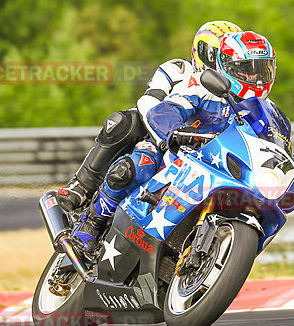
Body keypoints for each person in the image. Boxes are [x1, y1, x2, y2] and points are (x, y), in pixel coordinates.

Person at [70, 30, 277, 254]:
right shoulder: (200, 85)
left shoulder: (266, 111)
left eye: (261, 70)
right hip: (175, 153)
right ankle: (93, 222)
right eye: (247, 70)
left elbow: (275, 144)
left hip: (219, 169)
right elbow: (163, 111)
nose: (255, 78)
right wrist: (173, 132)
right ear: (227, 66)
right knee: (137, 166)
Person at [55, 21, 242, 212]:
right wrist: (169, 137)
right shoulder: (177, 70)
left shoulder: (238, 89)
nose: (221, 61)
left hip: (204, 149)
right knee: (124, 122)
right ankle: (82, 185)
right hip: (160, 135)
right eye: (217, 54)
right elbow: (149, 103)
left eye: (227, 56)